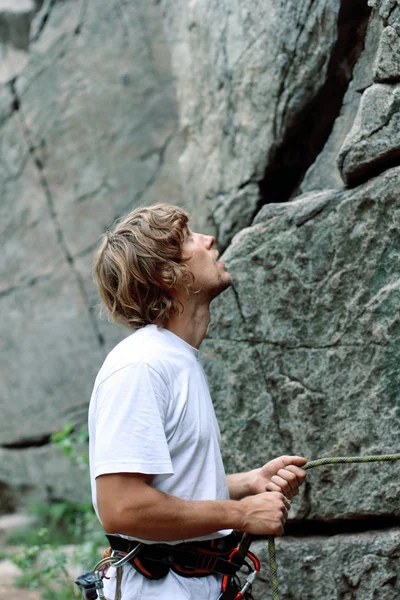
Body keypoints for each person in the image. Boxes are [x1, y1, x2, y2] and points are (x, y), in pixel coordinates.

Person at [88, 203, 306, 600]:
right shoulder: (141, 365)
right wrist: (241, 514)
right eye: (190, 238)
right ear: (168, 274)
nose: (209, 240)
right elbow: (122, 507)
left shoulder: (173, 358)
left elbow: (166, 487)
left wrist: (245, 483)